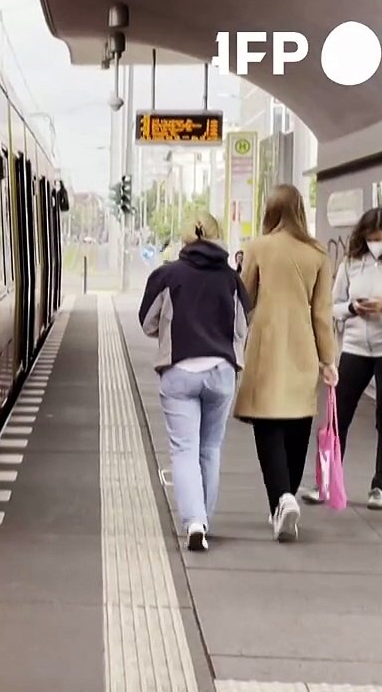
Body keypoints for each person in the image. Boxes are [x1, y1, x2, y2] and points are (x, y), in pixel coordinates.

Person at [300, 208, 382, 509]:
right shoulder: (352, 262)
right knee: (337, 416)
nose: (375, 243)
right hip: (356, 348)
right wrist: (353, 309)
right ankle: (326, 483)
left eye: (380, 239)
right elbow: (333, 305)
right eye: (370, 238)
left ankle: (379, 487)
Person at [139, 212, 251, 551]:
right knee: (210, 448)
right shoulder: (233, 280)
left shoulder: (167, 275)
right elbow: (243, 327)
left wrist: (173, 330)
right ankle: (205, 520)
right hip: (221, 373)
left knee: (184, 450)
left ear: (184, 239)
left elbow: (147, 323)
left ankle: (194, 522)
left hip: (179, 373)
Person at [233, 184, 338, 542]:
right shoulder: (318, 253)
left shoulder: (257, 247)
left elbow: (244, 299)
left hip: (266, 343)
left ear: (271, 210)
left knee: (268, 426)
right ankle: (286, 498)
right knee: (296, 424)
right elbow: (322, 313)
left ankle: (282, 499)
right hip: (303, 346)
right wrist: (329, 359)